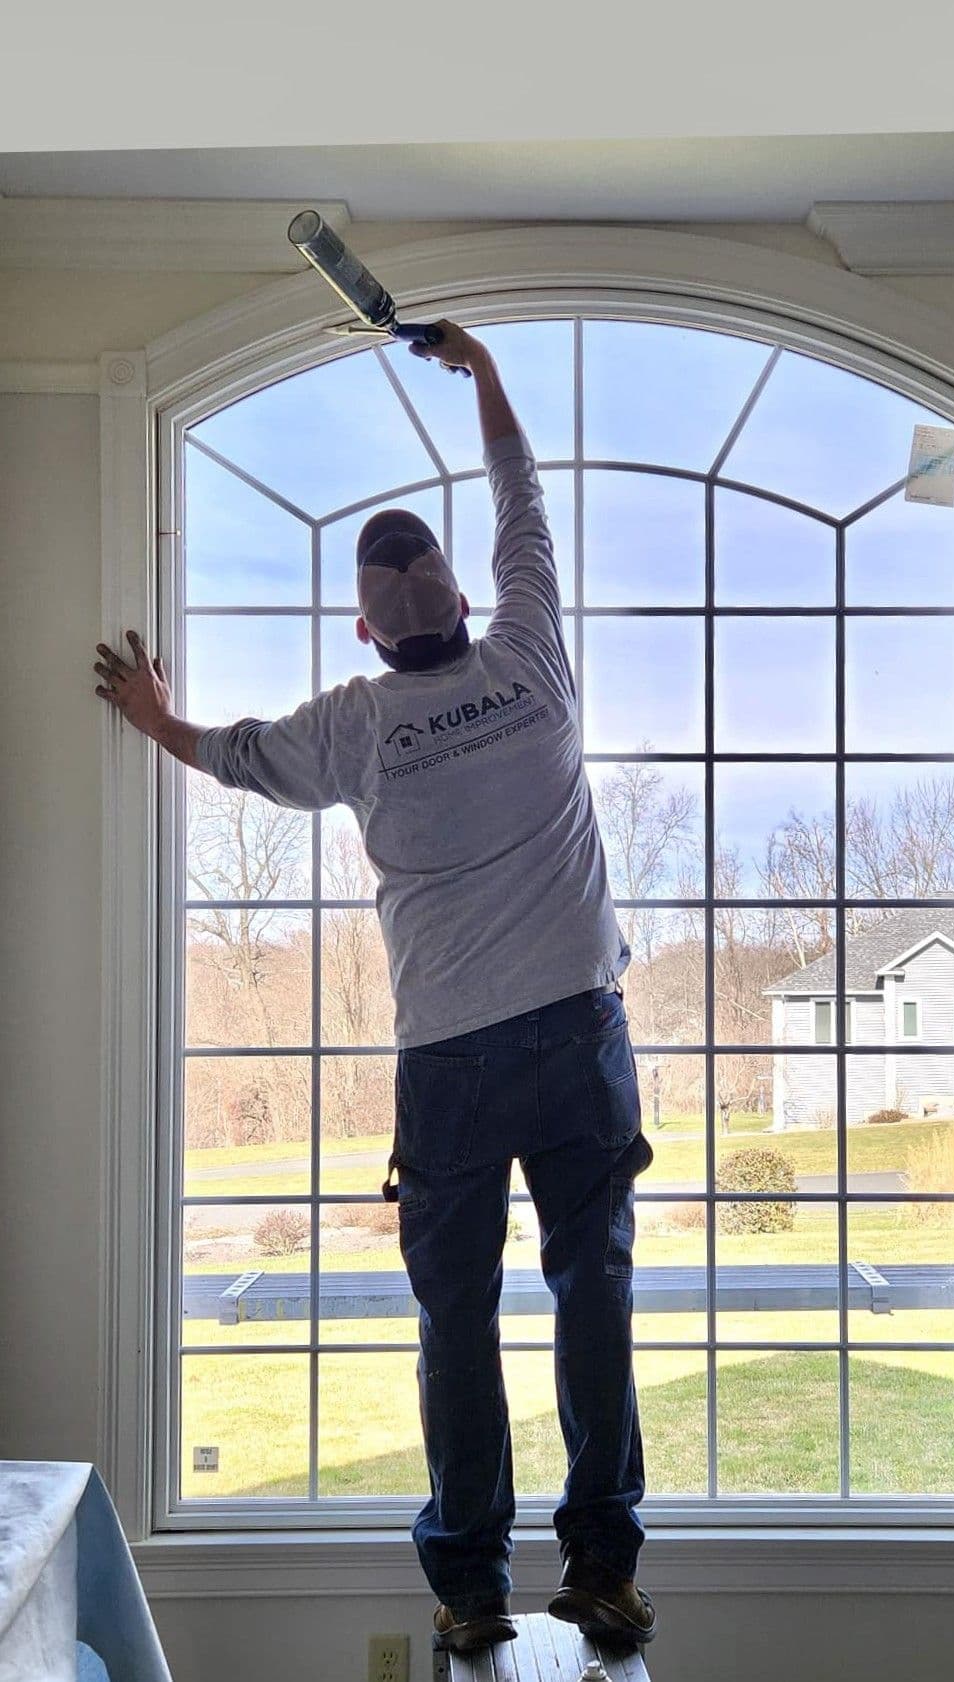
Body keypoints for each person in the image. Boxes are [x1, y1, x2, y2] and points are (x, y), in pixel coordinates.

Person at [93, 322, 658, 1658]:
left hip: (451, 1061)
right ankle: (604, 1573)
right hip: (578, 1031)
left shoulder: (353, 723)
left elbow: (232, 754)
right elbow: (524, 507)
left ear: (363, 625)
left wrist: (152, 717)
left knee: (457, 1316)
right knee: (594, 1293)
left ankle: (470, 1587)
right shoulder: (529, 654)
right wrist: (485, 376)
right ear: (459, 599)